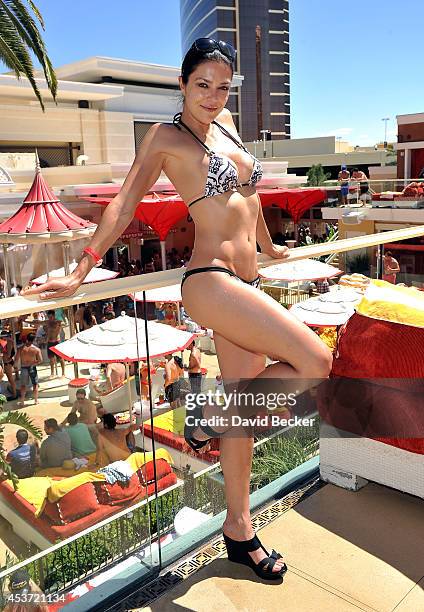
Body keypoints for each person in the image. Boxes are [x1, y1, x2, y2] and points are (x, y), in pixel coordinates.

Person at [22, 38, 332, 579]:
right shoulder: (166, 137)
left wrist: (271, 248)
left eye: (221, 86)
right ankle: (208, 417)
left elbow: (250, 197)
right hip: (209, 279)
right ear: (183, 84)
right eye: (202, 85)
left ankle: (239, 529)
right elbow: (124, 202)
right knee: (315, 363)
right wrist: (79, 269)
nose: (212, 96)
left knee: (242, 420)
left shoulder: (228, 123)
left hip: (247, 278)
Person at [17, 333, 42, 406]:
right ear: (33, 340)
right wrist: (33, 362)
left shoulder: (20, 348)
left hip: (24, 367)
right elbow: (40, 360)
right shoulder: (36, 349)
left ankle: (22, 401)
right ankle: (36, 401)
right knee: (35, 384)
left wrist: (16, 367)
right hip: (32, 367)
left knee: (23, 385)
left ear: (27, 339)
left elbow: (16, 359)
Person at [43, 310, 65, 377]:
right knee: (51, 359)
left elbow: (64, 323)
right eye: (49, 317)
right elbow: (38, 322)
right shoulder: (47, 322)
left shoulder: (58, 322)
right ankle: (52, 373)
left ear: (54, 316)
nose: (50, 318)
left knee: (61, 358)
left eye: (51, 317)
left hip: (57, 342)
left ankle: (63, 373)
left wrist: (59, 324)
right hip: (49, 342)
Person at [0, 330, 17, 398]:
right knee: (10, 379)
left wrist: (3, 352)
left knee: (10, 379)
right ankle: (14, 393)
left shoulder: (9, 342)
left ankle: (14, 395)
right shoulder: (7, 341)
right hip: (8, 362)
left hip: (7, 363)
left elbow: (9, 354)